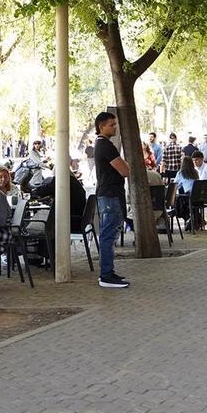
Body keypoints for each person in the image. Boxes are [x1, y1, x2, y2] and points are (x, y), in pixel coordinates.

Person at [93, 112, 131, 288]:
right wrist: (124, 165)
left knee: (110, 233)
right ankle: (106, 275)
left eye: (115, 124)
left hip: (109, 194)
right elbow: (124, 170)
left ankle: (108, 272)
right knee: (108, 235)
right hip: (110, 195)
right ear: (101, 126)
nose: (114, 127)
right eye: (111, 124)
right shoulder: (106, 146)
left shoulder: (102, 145)